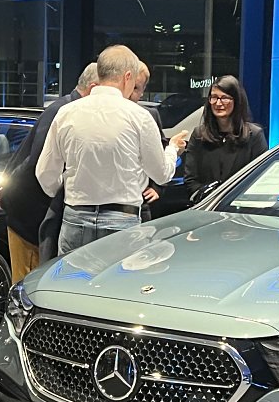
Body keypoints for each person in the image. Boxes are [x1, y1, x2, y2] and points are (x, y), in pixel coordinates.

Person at [36, 45, 187, 254]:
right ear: (127, 77)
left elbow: (44, 174)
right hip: (122, 222)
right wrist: (172, 149)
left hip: (75, 218)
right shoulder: (140, 116)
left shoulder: (66, 113)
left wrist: (71, 187)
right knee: (119, 277)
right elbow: (161, 174)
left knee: (71, 276)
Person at [0, 63, 99, 282]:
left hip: (32, 212)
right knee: (29, 286)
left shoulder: (66, 109)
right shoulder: (64, 111)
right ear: (93, 88)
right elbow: (35, 165)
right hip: (30, 219)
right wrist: (8, 193)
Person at [184, 75, 267, 201]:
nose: (218, 103)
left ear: (237, 101)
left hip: (241, 205)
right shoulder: (199, 135)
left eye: (224, 98)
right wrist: (211, 198)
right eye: (214, 97)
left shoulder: (254, 135)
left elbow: (260, 178)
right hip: (206, 205)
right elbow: (190, 180)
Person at [130, 60, 167, 222]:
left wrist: (157, 187)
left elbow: (161, 154)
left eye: (136, 88)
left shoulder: (149, 116)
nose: (131, 93)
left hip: (140, 204)